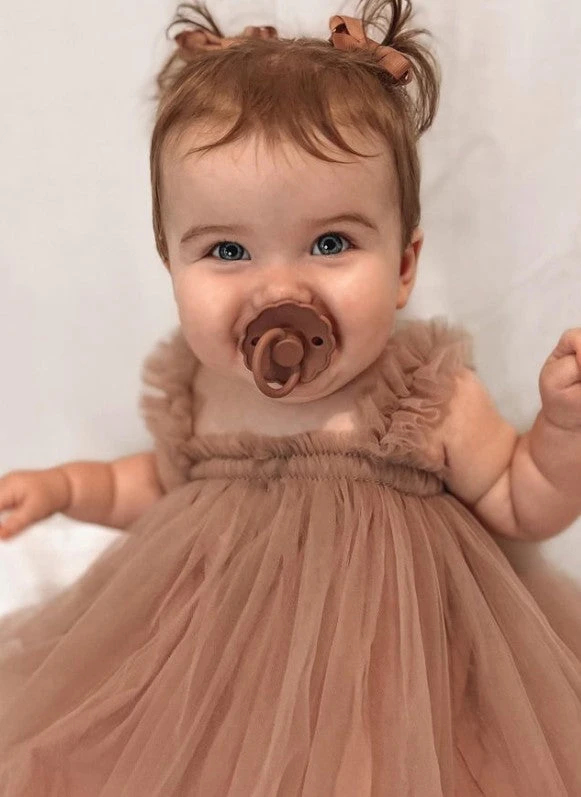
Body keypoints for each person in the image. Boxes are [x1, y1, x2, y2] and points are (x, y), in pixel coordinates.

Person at [0, 0, 580, 793]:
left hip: (387, 674)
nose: (279, 287)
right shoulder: (201, 389)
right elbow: (162, 487)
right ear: (171, 265)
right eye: (227, 250)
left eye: (329, 242)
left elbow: (521, 499)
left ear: (403, 265)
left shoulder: (420, 394)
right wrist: (69, 486)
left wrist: (561, 426)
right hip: (220, 667)